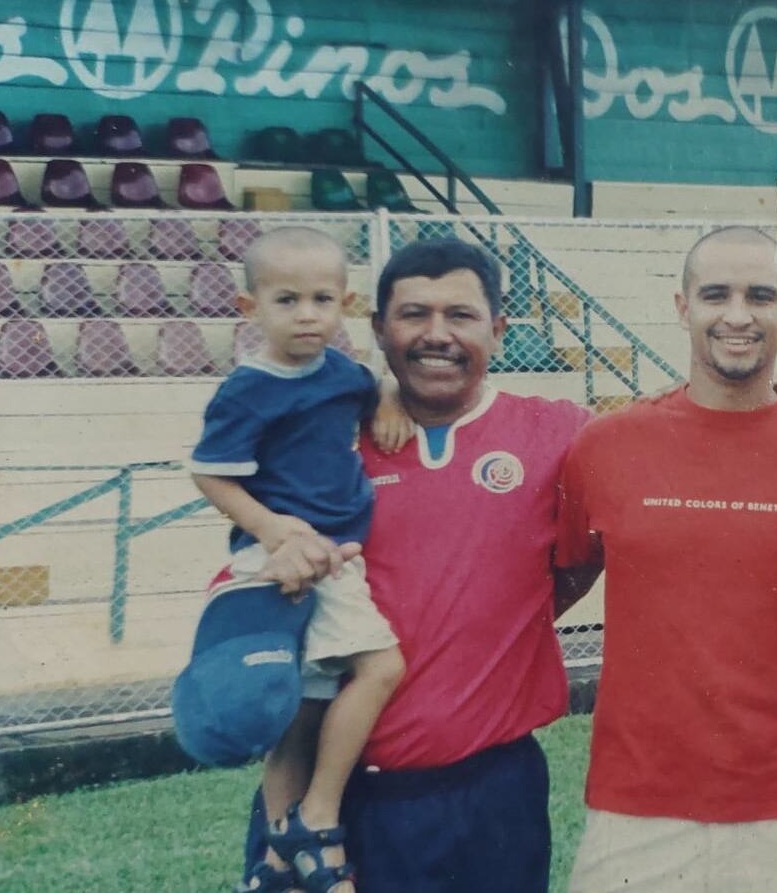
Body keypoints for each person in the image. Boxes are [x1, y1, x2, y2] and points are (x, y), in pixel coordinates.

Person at [243, 236, 598, 892]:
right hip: (337, 797)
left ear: (498, 329)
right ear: (379, 329)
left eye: (460, 315)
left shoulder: (559, 433)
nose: (437, 334)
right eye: (414, 314)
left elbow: (598, 541)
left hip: (493, 793)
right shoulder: (321, 435)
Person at [556, 227, 777, 892]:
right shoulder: (607, 446)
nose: (737, 315)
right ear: (682, 307)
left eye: (760, 296)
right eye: (715, 295)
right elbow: (548, 585)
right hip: (634, 809)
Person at [190, 227, 406, 893]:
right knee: (381, 666)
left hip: (335, 553)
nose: (307, 315)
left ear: (345, 303)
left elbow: (373, 389)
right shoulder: (246, 389)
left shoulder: (345, 374)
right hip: (293, 555)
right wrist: (271, 528)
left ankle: (278, 858)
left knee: (307, 706)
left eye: (322, 299)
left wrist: (388, 399)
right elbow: (209, 473)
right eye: (286, 300)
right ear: (249, 307)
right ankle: (318, 815)